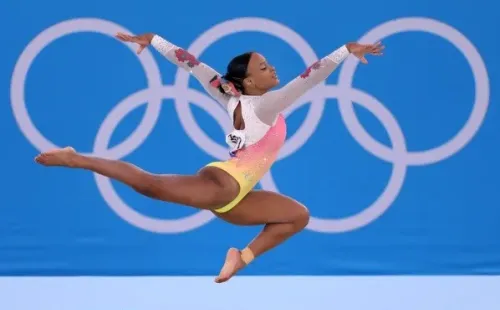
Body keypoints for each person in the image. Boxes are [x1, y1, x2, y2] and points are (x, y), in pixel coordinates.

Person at [34, 30, 384, 283]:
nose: (272, 70)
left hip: (238, 196)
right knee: (150, 185)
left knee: (297, 216)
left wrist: (154, 40)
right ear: (247, 82)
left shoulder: (231, 96)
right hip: (224, 183)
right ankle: (76, 158)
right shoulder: (265, 105)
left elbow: (191, 64)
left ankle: (240, 258)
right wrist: (344, 51)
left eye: (269, 64)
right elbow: (309, 79)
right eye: (263, 68)